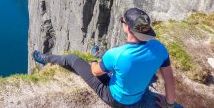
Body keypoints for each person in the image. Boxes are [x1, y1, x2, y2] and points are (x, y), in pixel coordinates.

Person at [33, 8, 176, 108]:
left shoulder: (118, 54)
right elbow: (169, 79)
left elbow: (95, 72)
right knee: (111, 61)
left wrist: (94, 62)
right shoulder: (159, 49)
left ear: (127, 28)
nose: (122, 23)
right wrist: (169, 104)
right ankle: (99, 53)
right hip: (138, 96)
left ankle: (47, 59)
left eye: (123, 21)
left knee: (71, 58)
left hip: (115, 99)